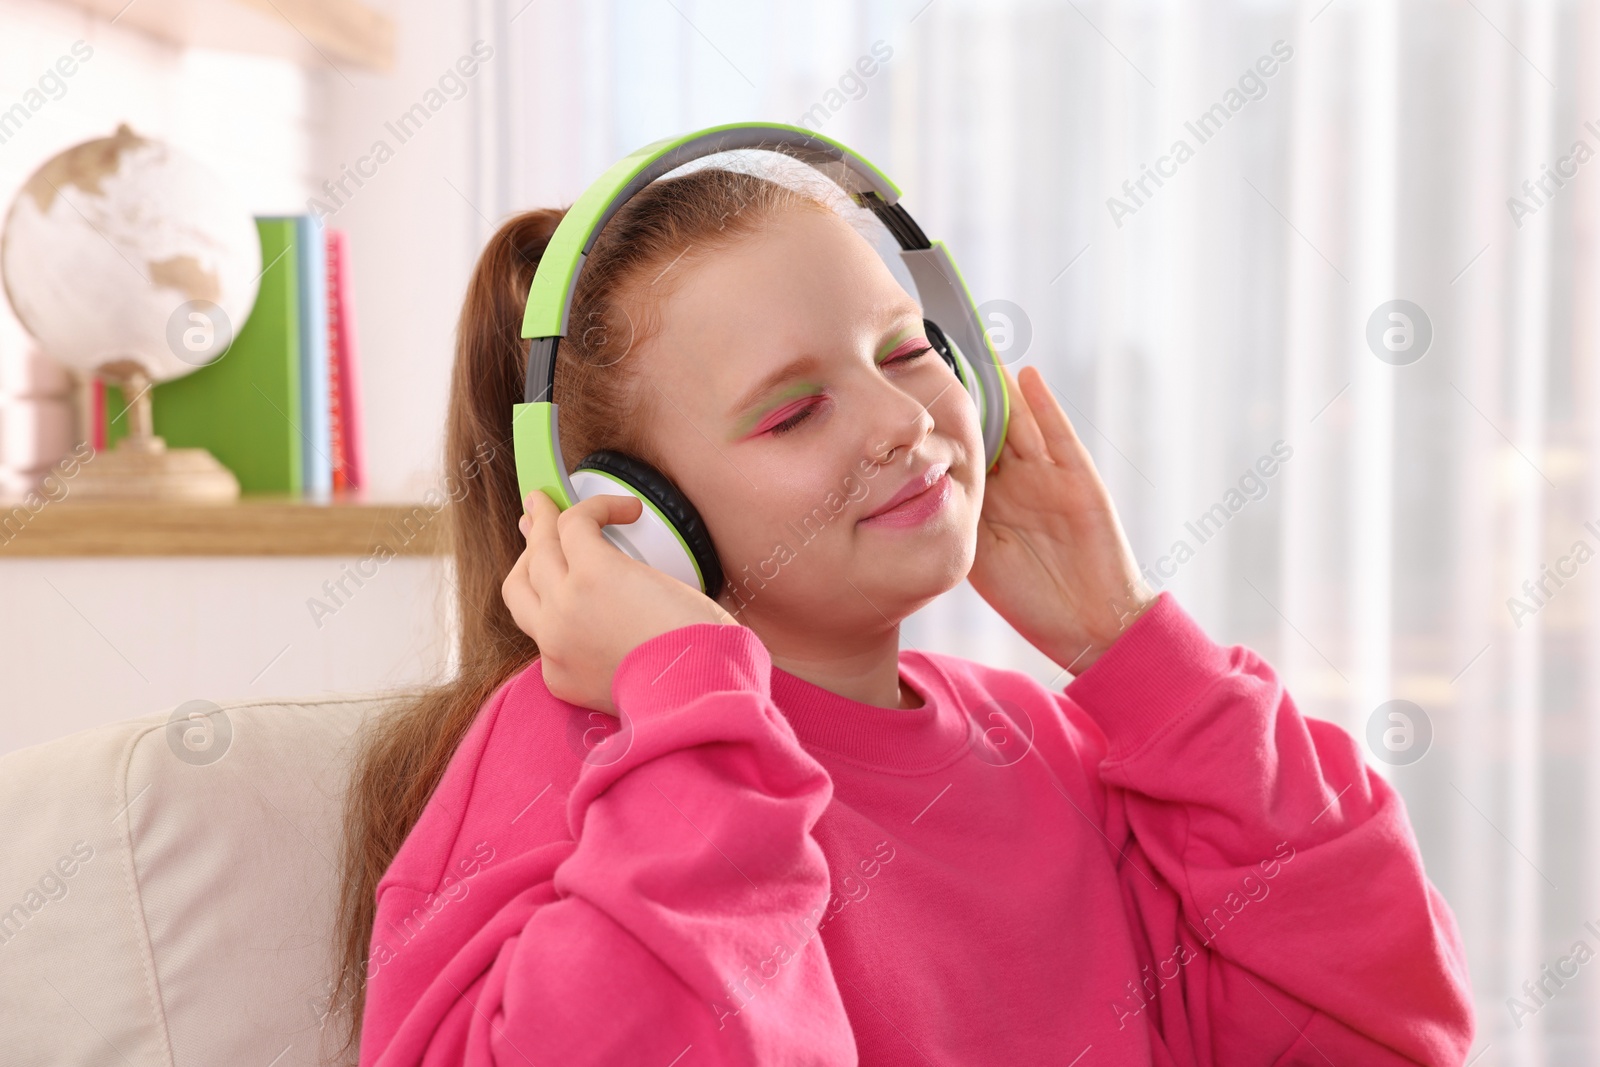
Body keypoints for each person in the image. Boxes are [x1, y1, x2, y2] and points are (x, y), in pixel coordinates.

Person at [327, 165, 1475, 1066]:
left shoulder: (1052, 742)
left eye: (905, 349)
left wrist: (1136, 650)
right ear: (630, 516)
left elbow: (1379, 1029)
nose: (898, 419)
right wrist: (694, 715)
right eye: (791, 413)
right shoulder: (571, 750)